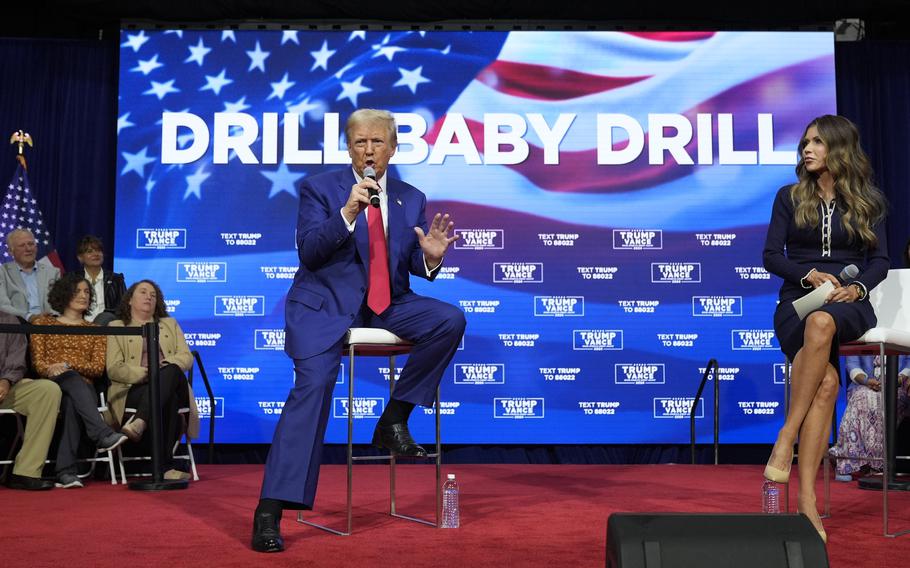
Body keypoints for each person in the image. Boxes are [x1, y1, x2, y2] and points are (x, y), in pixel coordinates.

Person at [251, 108, 465, 553]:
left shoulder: (411, 197)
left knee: (449, 319)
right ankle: (270, 510)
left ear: (393, 147)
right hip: (325, 308)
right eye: (360, 142)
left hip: (388, 307)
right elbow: (310, 253)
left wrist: (432, 257)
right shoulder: (321, 189)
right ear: (349, 148)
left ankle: (394, 418)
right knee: (312, 390)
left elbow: (409, 265)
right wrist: (347, 212)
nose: (369, 150)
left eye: (377, 142)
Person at [763, 115, 890, 543]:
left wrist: (854, 288)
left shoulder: (868, 201)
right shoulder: (789, 196)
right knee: (827, 383)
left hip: (849, 304)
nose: (807, 149)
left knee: (824, 322)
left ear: (838, 147)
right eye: (805, 143)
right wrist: (809, 276)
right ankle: (806, 504)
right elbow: (771, 256)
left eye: (816, 142)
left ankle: (786, 437)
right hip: (797, 302)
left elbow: (880, 262)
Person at [29, 273, 128, 488]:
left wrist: (67, 365)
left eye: (86, 292)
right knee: (71, 381)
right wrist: (55, 369)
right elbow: (39, 363)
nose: (83, 296)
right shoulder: (43, 323)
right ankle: (100, 434)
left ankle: (66, 473)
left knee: (73, 397)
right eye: (77, 291)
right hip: (49, 385)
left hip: (83, 388)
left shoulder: (95, 331)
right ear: (64, 294)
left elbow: (96, 368)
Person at [106, 279, 197, 481]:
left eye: (153, 294)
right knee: (168, 399)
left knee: (172, 369)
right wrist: (145, 373)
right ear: (129, 300)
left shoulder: (169, 324)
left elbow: (186, 357)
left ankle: (139, 421)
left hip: (172, 380)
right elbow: (114, 368)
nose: (149, 297)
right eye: (143, 292)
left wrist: (162, 368)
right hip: (135, 387)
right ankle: (165, 467)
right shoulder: (117, 326)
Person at [1, 311, 62, 490]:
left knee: (46, 390)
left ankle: (25, 471)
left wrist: (6, 381)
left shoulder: (9, 321)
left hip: (6, 388)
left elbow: (16, 361)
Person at [829, 355, 910, 481]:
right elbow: (852, 364)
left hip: (898, 386)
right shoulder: (861, 335)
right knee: (861, 398)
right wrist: (867, 381)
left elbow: (908, 363)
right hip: (864, 385)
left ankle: (876, 464)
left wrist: (896, 380)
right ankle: (846, 462)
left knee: (885, 401)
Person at [0, 228, 60, 322]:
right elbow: (2, 305)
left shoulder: (53, 272)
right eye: (22, 245)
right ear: (11, 251)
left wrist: (47, 318)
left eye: (31, 244)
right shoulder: (2, 272)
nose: (28, 249)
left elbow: (59, 304)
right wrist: (29, 317)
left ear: (36, 247)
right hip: (17, 325)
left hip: (48, 324)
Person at [76, 235, 126, 326]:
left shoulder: (116, 279)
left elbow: (124, 309)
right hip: (79, 328)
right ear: (80, 257)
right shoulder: (73, 279)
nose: (96, 254)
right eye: (90, 251)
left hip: (108, 329)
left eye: (98, 250)